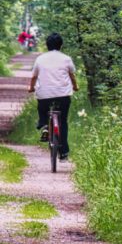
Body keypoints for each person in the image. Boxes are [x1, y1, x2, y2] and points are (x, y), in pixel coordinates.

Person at [28, 32, 79, 161]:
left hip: (44, 95)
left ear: (47, 45)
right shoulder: (66, 58)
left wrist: (31, 87)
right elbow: (72, 75)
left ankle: (44, 125)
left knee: (42, 108)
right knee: (63, 122)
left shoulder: (40, 59)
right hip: (63, 95)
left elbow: (34, 76)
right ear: (61, 45)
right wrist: (75, 86)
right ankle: (64, 153)